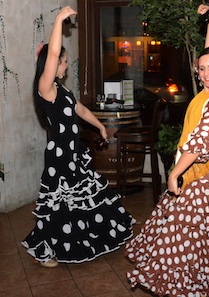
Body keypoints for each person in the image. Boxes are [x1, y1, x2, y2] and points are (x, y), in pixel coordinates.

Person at [125, 4, 209, 297]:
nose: (206, 73)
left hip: (202, 172)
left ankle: (189, 282)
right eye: (202, 68)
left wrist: (175, 174)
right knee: (207, 231)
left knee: (183, 234)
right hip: (201, 167)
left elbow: (200, 141)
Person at [22, 6, 134, 268]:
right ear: (52, 64)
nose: (64, 64)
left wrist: (101, 127)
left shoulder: (62, 90)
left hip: (73, 153)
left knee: (87, 195)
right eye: (62, 61)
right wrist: (60, 20)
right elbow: (52, 52)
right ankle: (46, 249)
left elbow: (79, 109)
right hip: (60, 155)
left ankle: (94, 235)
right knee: (59, 202)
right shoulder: (45, 88)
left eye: (62, 61)